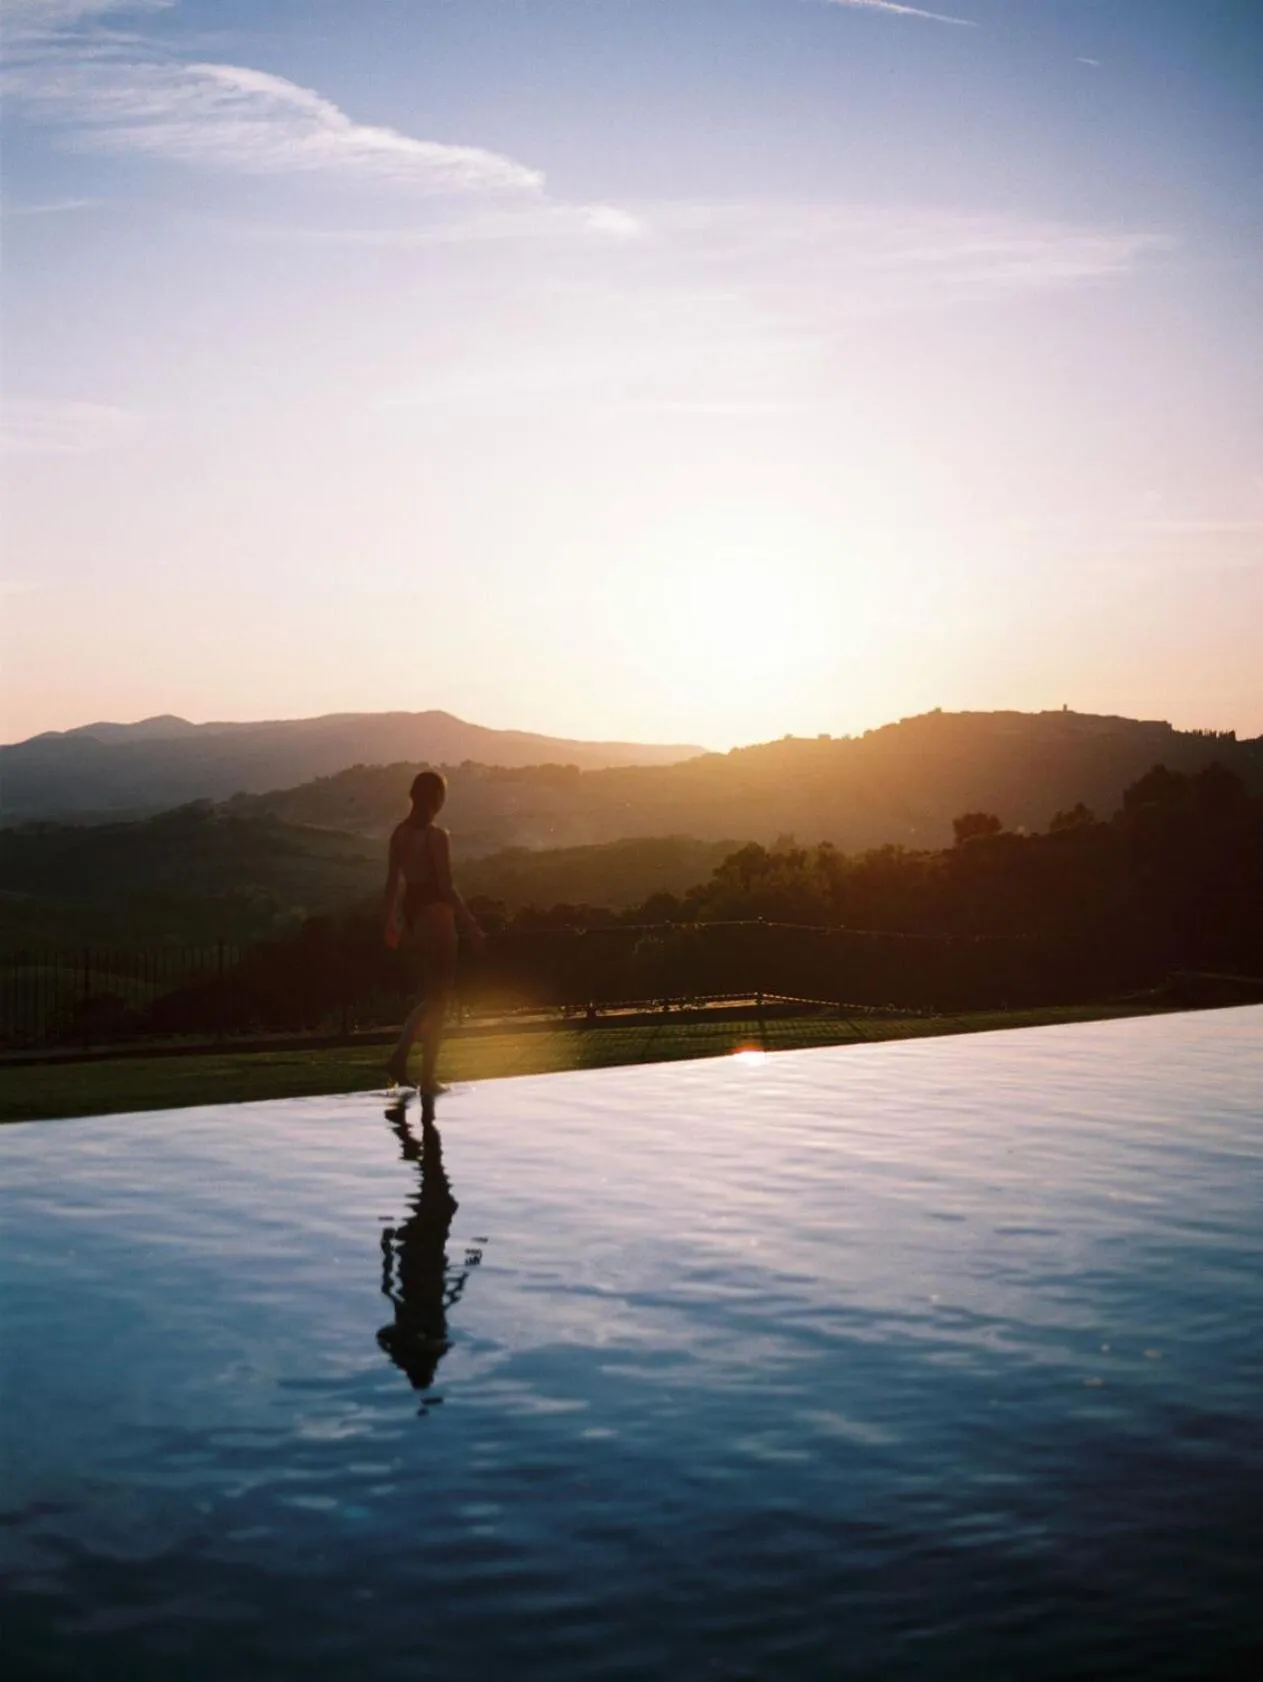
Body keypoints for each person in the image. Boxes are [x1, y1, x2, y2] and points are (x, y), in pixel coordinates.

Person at [383, 770, 484, 1093]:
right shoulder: (437, 837)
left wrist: (390, 921)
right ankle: (411, 1065)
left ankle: (420, 1072)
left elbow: (392, 883)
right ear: (437, 798)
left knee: (431, 996)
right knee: (439, 996)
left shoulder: (399, 834)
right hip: (437, 915)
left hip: (413, 915)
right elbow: (446, 886)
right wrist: (470, 923)